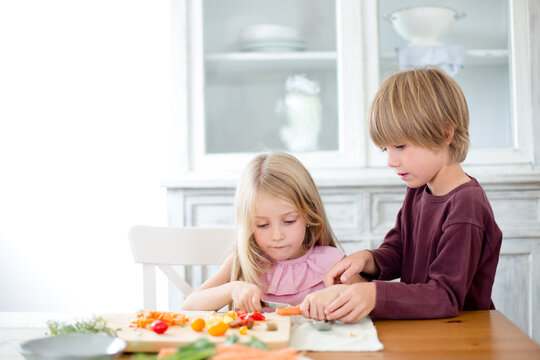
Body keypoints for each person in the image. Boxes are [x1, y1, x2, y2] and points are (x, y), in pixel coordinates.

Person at [300, 66, 503, 323]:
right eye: (386, 148)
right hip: (426, 328)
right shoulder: (418, 191)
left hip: (462, 334)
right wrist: (367, 259)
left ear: (444, 134)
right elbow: (398, 250)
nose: (391, 160)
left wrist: (374, 294)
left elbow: (445, 296)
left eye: (400, 146)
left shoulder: (466, 205)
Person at [181, 152, 359, 312]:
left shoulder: (331, 262)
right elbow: (188, 307)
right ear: (248, 225)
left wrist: (341, 294)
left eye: (289, 221)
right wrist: (232, 289)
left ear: (308, 214)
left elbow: (367, 299)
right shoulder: (246, 260)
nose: (277, 236)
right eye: (262, 225)